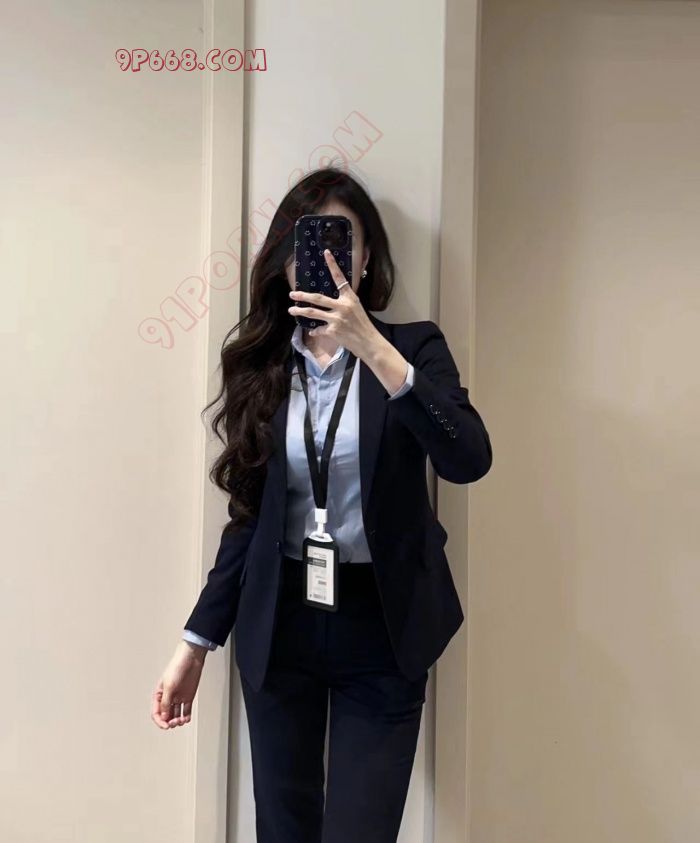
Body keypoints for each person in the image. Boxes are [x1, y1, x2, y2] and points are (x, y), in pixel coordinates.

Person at [151, 165, 493, 842]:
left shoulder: (414, 347)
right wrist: (197, 641)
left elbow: (468, 458)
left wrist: (375, 349)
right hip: (283, 624)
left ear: (366, 259)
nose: (329, 259)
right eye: (310, 244)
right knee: (285, 830)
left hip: (384, 626)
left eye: (345, 242)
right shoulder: (261, 363)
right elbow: (248, 516)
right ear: (286, 261)